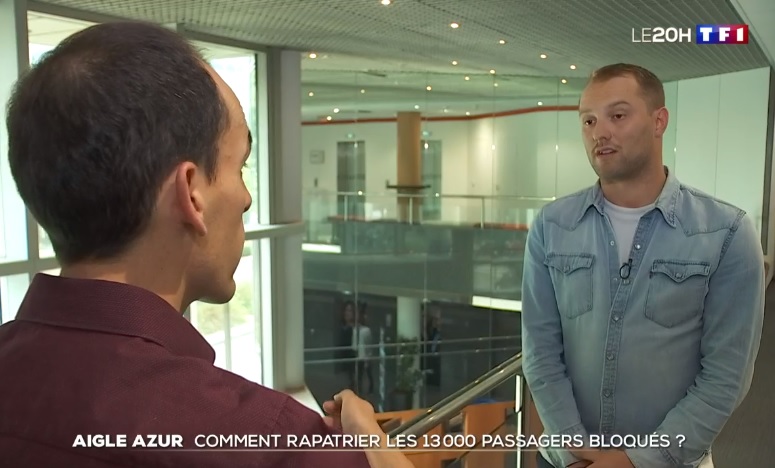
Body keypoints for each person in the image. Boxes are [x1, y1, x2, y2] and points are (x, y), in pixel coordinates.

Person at [0, 21, 412, 468]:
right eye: (241, 167)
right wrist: (374, 448)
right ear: (192, 193)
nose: (248, 198)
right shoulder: (275, 445)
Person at [521, 63, 765, 468]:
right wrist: (575, 450)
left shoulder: (726, 232)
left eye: (617, 115)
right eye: (588, 120)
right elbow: (540, 351)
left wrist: (639, 460)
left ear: (659, 121)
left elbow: (726, 375)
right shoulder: (552, 226)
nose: (600, 132)